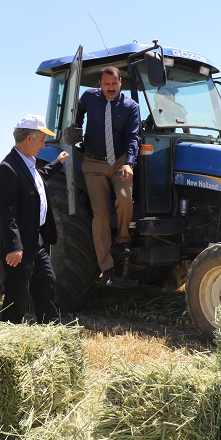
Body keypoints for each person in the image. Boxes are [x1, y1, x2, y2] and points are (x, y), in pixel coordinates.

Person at [0, 114, 69, 324]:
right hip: (20, 244)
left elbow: (37, 178)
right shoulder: (8, 168)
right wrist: (14, 246)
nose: (43, 145)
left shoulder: (28, 163)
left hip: (36, 239)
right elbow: (6, 212)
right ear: (29, 139)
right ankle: (8, 330)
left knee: (46, 283)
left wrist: (58, 163)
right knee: (17, 293)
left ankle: (49, 327)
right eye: (42, 140)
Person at [76, 66, 141, 285]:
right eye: (106, 84)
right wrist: (76, 128)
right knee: (101, 216)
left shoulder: (131, 107)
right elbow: (77, 113)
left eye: (114, 83)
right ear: (100, 84)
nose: (110, 88)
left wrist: (129, 163)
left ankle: (123, 238)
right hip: (94, 163)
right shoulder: (89, 97)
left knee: (125, 198)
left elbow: (133, 137)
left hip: (120, 161)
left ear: (120, 82)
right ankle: (107, 268)